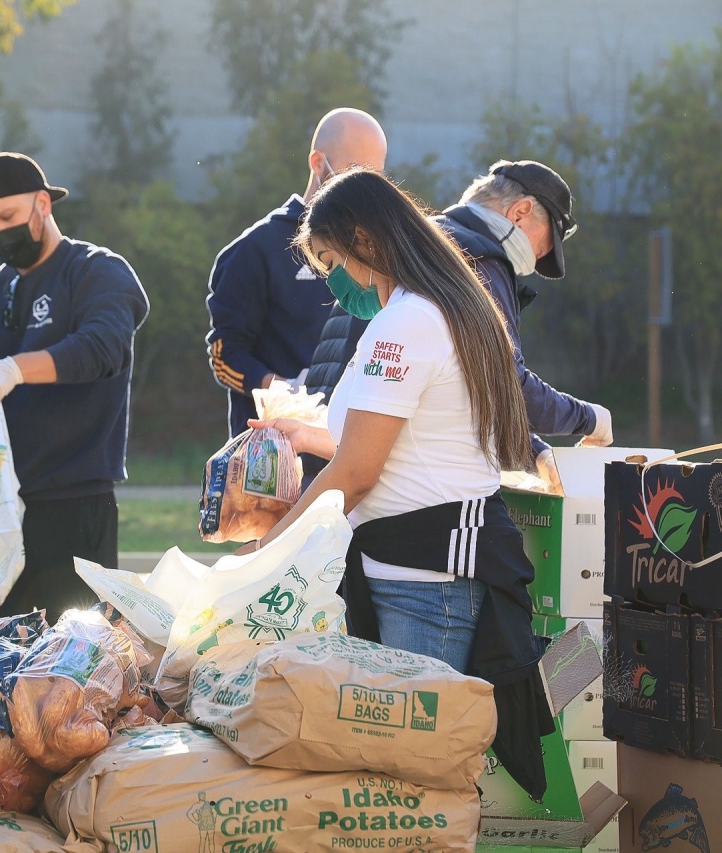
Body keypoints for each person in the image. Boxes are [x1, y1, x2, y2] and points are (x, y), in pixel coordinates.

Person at [246, 168, 551, 797]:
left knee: (417, 785)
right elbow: (401, 441)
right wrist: (308, 440)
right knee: (405, 776)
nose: (334, 278)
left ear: (364, 238)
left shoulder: (409, 322)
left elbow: (358, 472)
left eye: (331, 259)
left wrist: (272, 549)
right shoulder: (426, 309)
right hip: (412, 569)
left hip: (425, 582)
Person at [0, 152, 149, 624]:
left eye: (8, 216)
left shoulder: (97, 271)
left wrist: (15, 368)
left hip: (73, 502)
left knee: (72, 666)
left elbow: (103, 349)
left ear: (43, 203)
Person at [206, 108, 387, 438]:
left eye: (373, 176)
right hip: (274, 456)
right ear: (318, 163)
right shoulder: (256, 249)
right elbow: (224, 355)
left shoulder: (377, 251)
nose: (362, 189)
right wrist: (286, 390)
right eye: (352, 171)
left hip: (352, 447)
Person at [434, 160, 613, 487]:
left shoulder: (421, 238)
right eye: (538, 250)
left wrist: (536, 452)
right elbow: (507, 386)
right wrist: (591, 419)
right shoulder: (479, 257)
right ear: (520, 212)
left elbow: (460, 385)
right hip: (422, 490)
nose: (528, 266)